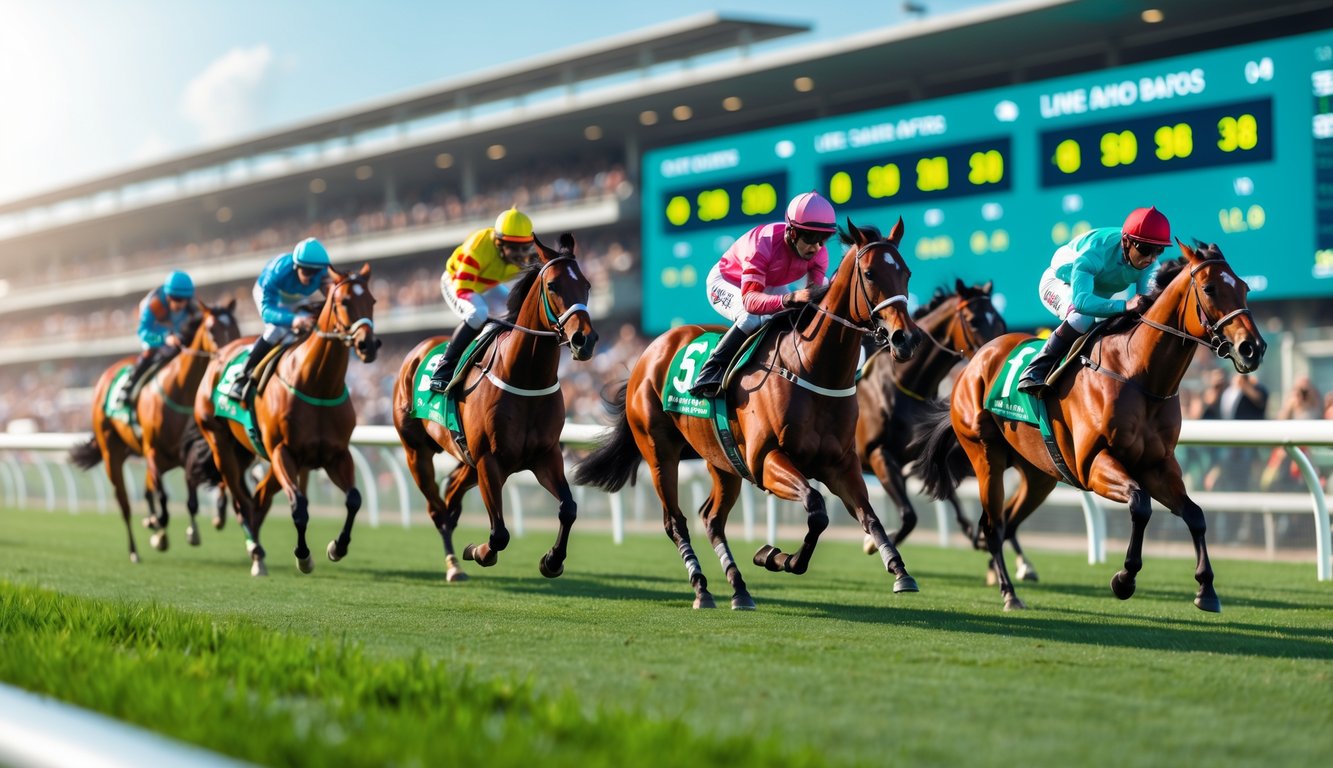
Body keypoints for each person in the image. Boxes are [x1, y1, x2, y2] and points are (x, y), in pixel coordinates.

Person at [686, 191, 836, 398]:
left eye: (823, 239)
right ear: (792, 233)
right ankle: (712, 370)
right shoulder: (761, 245)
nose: (817, 247)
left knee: (798, 317)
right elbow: (750, 301)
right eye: (811, 238)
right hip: (727, 281)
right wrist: (789, 299)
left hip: (768, 284)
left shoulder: (820, 254)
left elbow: (813, 303)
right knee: (751, 318)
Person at [1016, 206, 1172, 397]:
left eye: (1159, 250)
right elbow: (1082, 302)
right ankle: (1035, 369)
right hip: (1060, 283)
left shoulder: (1150, 265)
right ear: (1126, 242)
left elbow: (1147, 312)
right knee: (1082, 318)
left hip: (1094, 292)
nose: (1151, 258)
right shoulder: (1097, 251)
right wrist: (1124, 305)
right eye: (1146, 249)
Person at [427, 207, 539, 393]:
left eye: (524, 247)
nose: (520, 254)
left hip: (486, 285)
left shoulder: (529, 256)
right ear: (498, 243)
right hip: (457, 282)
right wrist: (488, 322)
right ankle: (444, 368)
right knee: (478, 313)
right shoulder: (479, 246)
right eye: (513, 247)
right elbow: (464, 287)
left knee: (519, 313)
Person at [225, 237, 330, 400]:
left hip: (296, 298)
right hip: (271, 300)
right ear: (296, 267)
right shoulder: (277, 273)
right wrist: (293, 320)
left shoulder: (322, 272)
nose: (311, 277)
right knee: (276, 329)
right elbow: (267, 311)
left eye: (316, 272)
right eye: (307, 272)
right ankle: (242, 378)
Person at [114, 271, 197, 408]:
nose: (180, 305)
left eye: (184, 300)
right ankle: (128, 388)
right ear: (169, 296)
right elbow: (143, 332)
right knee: (150, 353)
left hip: (175, 332)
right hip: (154, 330)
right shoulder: (155, 304)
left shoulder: (191, 304)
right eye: (176, 300)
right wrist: (165, 338)